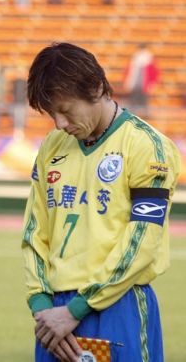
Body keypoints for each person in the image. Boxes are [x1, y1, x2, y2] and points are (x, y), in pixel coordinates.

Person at [22, 42, 181, 362]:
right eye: (52, 114)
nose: (59, 124)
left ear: (96, 88)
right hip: (52, 318)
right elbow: (34, 230)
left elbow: (141, 242)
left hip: (116, 306)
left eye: (65, 110)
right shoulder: (53, 146)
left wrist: (77, 309)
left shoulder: (146, 146)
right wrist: (42, 307)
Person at [123, 43, 159, 117]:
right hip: (135, 83)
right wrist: (127, 82)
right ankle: (133, 114)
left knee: (144, 100)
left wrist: (152, 83)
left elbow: (154, 73)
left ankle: (145, 114)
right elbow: (129, 71)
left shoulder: (150, 60)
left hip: (145, 84)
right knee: (134, 100)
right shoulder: (134, 59)